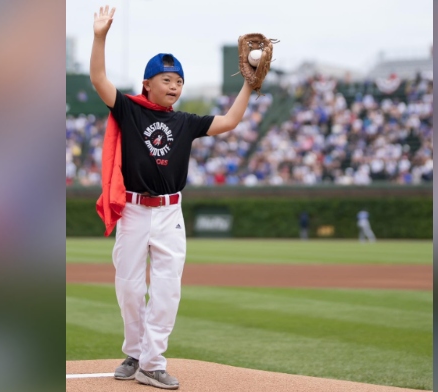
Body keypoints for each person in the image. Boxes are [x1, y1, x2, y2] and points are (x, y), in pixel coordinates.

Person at [90, 5, 254, 390]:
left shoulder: (186, 122)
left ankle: (152, 362)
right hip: (132, 208)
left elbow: (229, 121)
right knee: (129, 286)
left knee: (167, 289)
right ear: (147, 83)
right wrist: (100, 37)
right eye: (167, 79)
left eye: (179, 80)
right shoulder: (130, 110)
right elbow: (99, 78)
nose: (175, 86)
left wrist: (250, 84)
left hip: (169, 213)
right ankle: (134, 352)